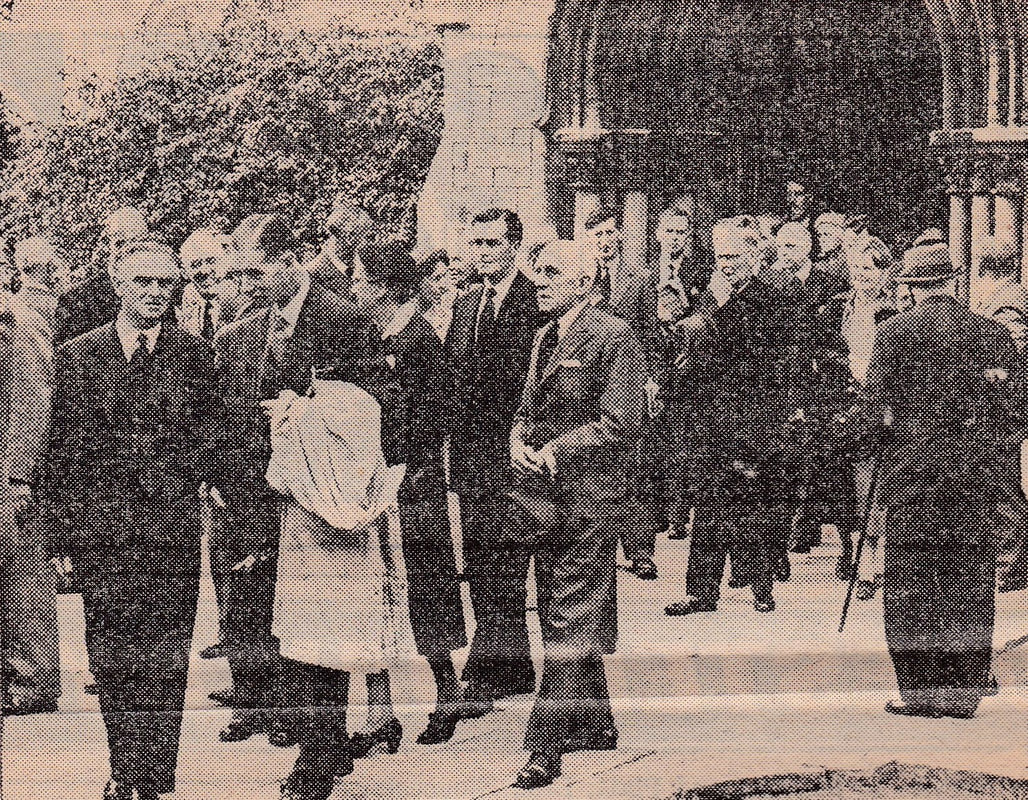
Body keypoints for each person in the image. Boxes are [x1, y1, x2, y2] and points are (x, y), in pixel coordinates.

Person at [39, 239, 231, 799]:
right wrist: (59, 534)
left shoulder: (192, 354)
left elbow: (212, 436)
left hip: (171, 528)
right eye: (144, 283)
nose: (155, 295)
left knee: (167, 657)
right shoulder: (79, 355)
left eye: (165, 285)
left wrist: (206, 488)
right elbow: (60, 450)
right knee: (113, 657)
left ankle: (157, 771)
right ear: (119, 285)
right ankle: (126, 770)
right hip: (103, 533)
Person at [213, 215, 390, 771]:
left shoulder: (340, 311)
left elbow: (376, 400)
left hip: (333, 492)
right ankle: (319, 739)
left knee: (329, 624)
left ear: (290, 263)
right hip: (278, 488)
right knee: (295, 626)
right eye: (240, 271)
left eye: (256, 268)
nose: (244, 279)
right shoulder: (254, 325)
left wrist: (308, 416)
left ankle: (322, 752)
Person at [864, 238, 1022, 720]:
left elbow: (872, 415)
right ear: (955, 282)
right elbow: (1016, 408)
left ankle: (920, 691)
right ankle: (964, 693)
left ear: (911, 288)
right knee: (969, 583)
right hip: (973, 479)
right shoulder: (992, 335)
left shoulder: (894, 333)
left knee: (912, 585)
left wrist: (879, 452)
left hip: (913, 479)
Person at [509, 239, 646, 789]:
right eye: (536, 271)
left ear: (586, 279)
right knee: (562, 612)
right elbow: (527, 406)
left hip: (590, 494)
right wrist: (519, 439)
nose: (537, 280)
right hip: (545, 497)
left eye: (550, 272)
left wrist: (557, 450)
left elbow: (627, 417)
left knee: (569, 621)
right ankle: (595, 722)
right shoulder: (545, 334)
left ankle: (543, 746)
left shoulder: (612, 333)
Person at [350, 242, 468, 747]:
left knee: (428, 596)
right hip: (377, 482)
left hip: (415, 484)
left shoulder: (421, 342)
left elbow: (438, 417)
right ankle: (382, 713)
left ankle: (448, 696)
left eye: (361, 280)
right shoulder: (372, 341)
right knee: (375, 598)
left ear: (381, 287)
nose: (354, 289)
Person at [664, 216, 801, 617]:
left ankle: (762, 587)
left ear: (756, 255)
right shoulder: (713, 295)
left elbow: (765, 361)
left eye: (734, 256)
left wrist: (712, 322)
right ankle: (701, 592)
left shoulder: (775, 297)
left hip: (756, 419)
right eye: (721, 256)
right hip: (712, 418)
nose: (726, 264)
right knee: (709, 504)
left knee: (753, 505)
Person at [447, 208, 541, 712]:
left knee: (502, 564)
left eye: (491, 244)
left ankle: (490, 669)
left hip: (507, 453)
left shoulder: (533, 300)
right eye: (476, 244)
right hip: (470, 457)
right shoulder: (466, 303)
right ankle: (510, 665)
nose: (481, 253)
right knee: (484, 563)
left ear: (514, 247)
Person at [582, 207, 660, 579]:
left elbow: (650, 336)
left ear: (619, 235)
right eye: (597, 235)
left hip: (627, 382)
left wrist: (651, 380)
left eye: (610, 233)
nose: (605, 240)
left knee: (634, 468)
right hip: (587, 388)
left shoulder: (639, 278)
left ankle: (641, 550)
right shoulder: (583, 280)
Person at [2, 238, 62, 715]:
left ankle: (33, 680)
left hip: (11, 474)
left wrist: (20, 476)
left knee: (22, 578)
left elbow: (30, 404)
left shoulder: (14, 324)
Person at [54, 206, 148, 345]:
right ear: (109, 244)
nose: (127, 251)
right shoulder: (77, 298)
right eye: (120, 243)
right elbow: (66, 355)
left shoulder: (166, 293)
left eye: (135, 244)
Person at [306, 196, 375, 298]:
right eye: (364, 235)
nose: (367, 241)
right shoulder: (313, 274)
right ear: (349, 237)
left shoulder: (353, 258)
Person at [176, 229, 226, 340]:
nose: (204, 271)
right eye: (195, 265)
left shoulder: (241, 299)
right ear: (184, 273)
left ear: (225, 262)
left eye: (211, 261)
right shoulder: (178, 306)